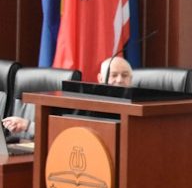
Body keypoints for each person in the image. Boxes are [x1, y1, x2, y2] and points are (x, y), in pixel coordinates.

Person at [2, 56, 134, 140]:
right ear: (100, 78)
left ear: (132, 79)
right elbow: (68, 132)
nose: (119, 80)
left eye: (125, 75)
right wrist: (28, 126)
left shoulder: (139, 107)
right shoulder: (89, 104)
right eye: (113, 75)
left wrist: (27, 125)